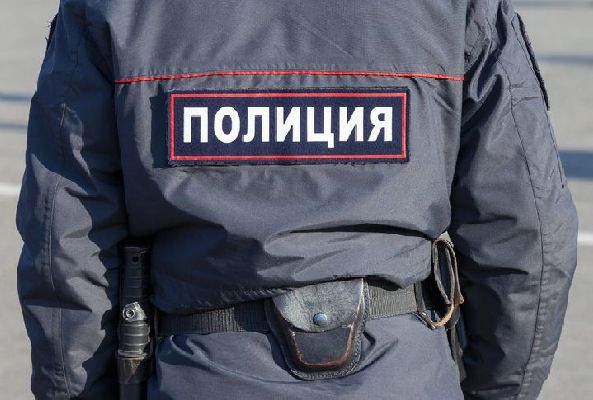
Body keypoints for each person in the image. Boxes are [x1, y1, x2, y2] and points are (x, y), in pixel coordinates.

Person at [17, 0, 578, 399]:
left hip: (200, 371)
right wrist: (494, 389)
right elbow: (527, 232)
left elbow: (64, 244)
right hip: (403, 372)